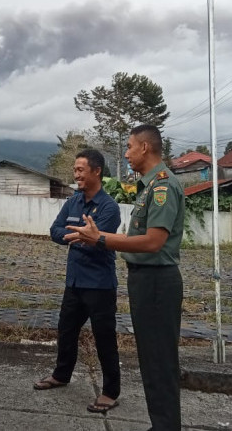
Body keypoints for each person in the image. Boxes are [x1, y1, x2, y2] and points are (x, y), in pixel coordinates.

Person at [65, 125, 185, 431]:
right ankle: (162, 424)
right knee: (152, 357)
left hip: (156, 281)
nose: (126, 154)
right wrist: (101, 237)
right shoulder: (150, 186)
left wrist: (100, 239)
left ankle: (166, 427)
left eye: (129, 147)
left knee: (158, 359)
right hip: (146, 279)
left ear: (145, 148)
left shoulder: (162, 187)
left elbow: (153, 242)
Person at [33, 149, 122, 414]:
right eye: (75, 170)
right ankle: (61, 375)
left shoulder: (109, 207)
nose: (76, 175)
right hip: (74, 282)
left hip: (100, 285)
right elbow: (55, 231)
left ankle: (110, 392)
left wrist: (81, 238)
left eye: (81, 170)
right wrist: (80, 236)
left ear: (96, 171)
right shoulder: (73, 202)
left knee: (104, 337)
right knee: (66, 330)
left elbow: (97, 244)